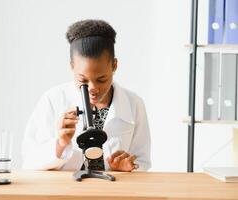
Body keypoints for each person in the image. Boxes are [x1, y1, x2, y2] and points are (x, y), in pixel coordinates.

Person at [22, 19, 151, 172]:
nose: (93, 88)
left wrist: (128, 167)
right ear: (72, 67)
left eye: (101, 79)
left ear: (114, 65)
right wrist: (60, 144)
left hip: (112, 193)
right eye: (83, 80)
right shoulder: (52, 99)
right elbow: (30, 161)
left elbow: (143, 162)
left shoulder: (134, 103)